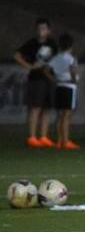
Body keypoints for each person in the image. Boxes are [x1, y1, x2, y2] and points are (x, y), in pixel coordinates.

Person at [13, 18, 57, 147]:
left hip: (48, 79)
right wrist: (29, 66)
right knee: (35, 108)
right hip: (36, 79)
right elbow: (16, 55)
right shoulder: (32, 43)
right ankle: (32, 137)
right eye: (38, 28)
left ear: (49, 30)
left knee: (47, 108)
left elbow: (55, 60)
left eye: (43, 28)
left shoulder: (52, 44)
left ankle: (43, 136)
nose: (41, 31)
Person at [47, 33, 79, 150]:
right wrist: (74, 79)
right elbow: (73, 71)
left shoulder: (55, 58)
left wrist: (54, 79)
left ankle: (59, 141)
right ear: (71, 46)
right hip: (69, 87)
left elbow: (46, 70)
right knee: (67, 115)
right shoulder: (71, 58)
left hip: (59, 86)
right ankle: (66, 141)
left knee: (60, 115)